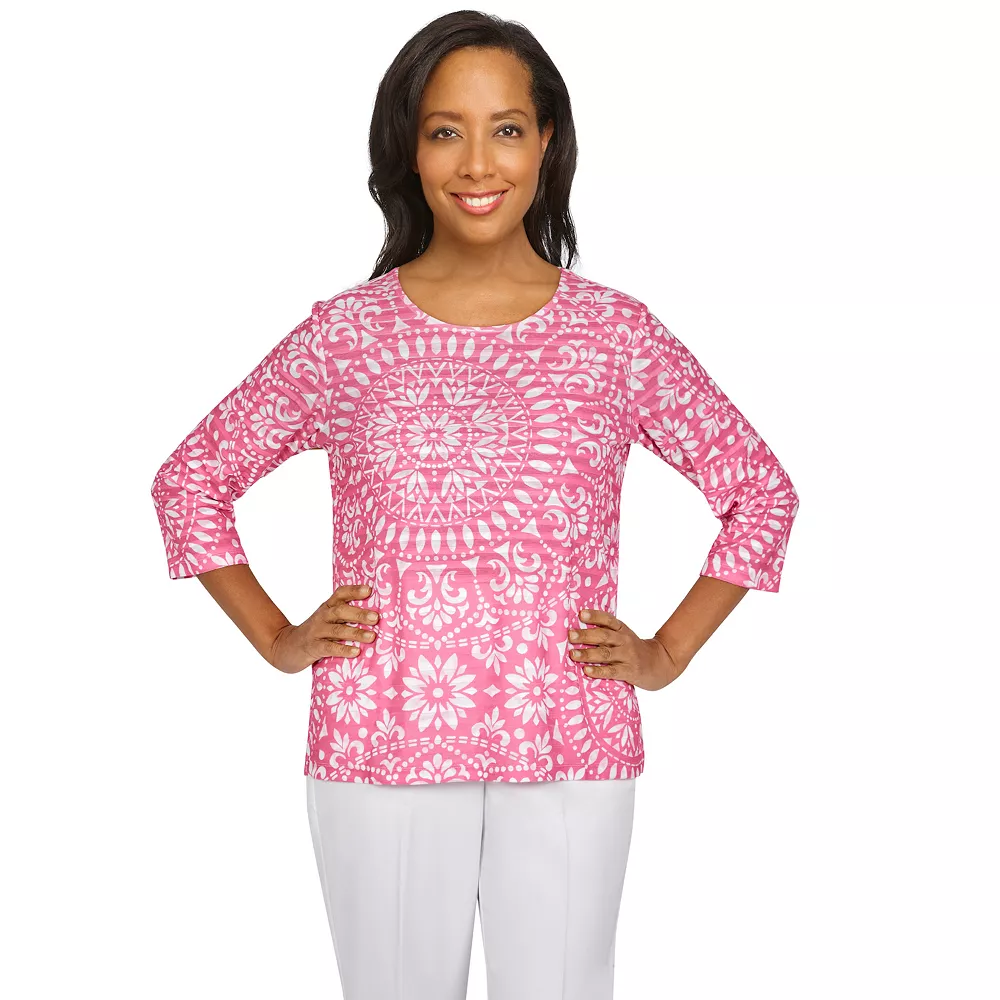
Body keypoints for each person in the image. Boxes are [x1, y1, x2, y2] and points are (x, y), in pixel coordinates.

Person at [150, 10, 799, 1000]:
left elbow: (760, 491)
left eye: (506, 128)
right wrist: (277, 638)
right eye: (445, 130)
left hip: (570, 734)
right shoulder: (348, 336)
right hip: (382, 734)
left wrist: (665, 654)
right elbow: (191, 479)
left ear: (547, 143)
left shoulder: (614, 336)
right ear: (408, 150)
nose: (477, 161)